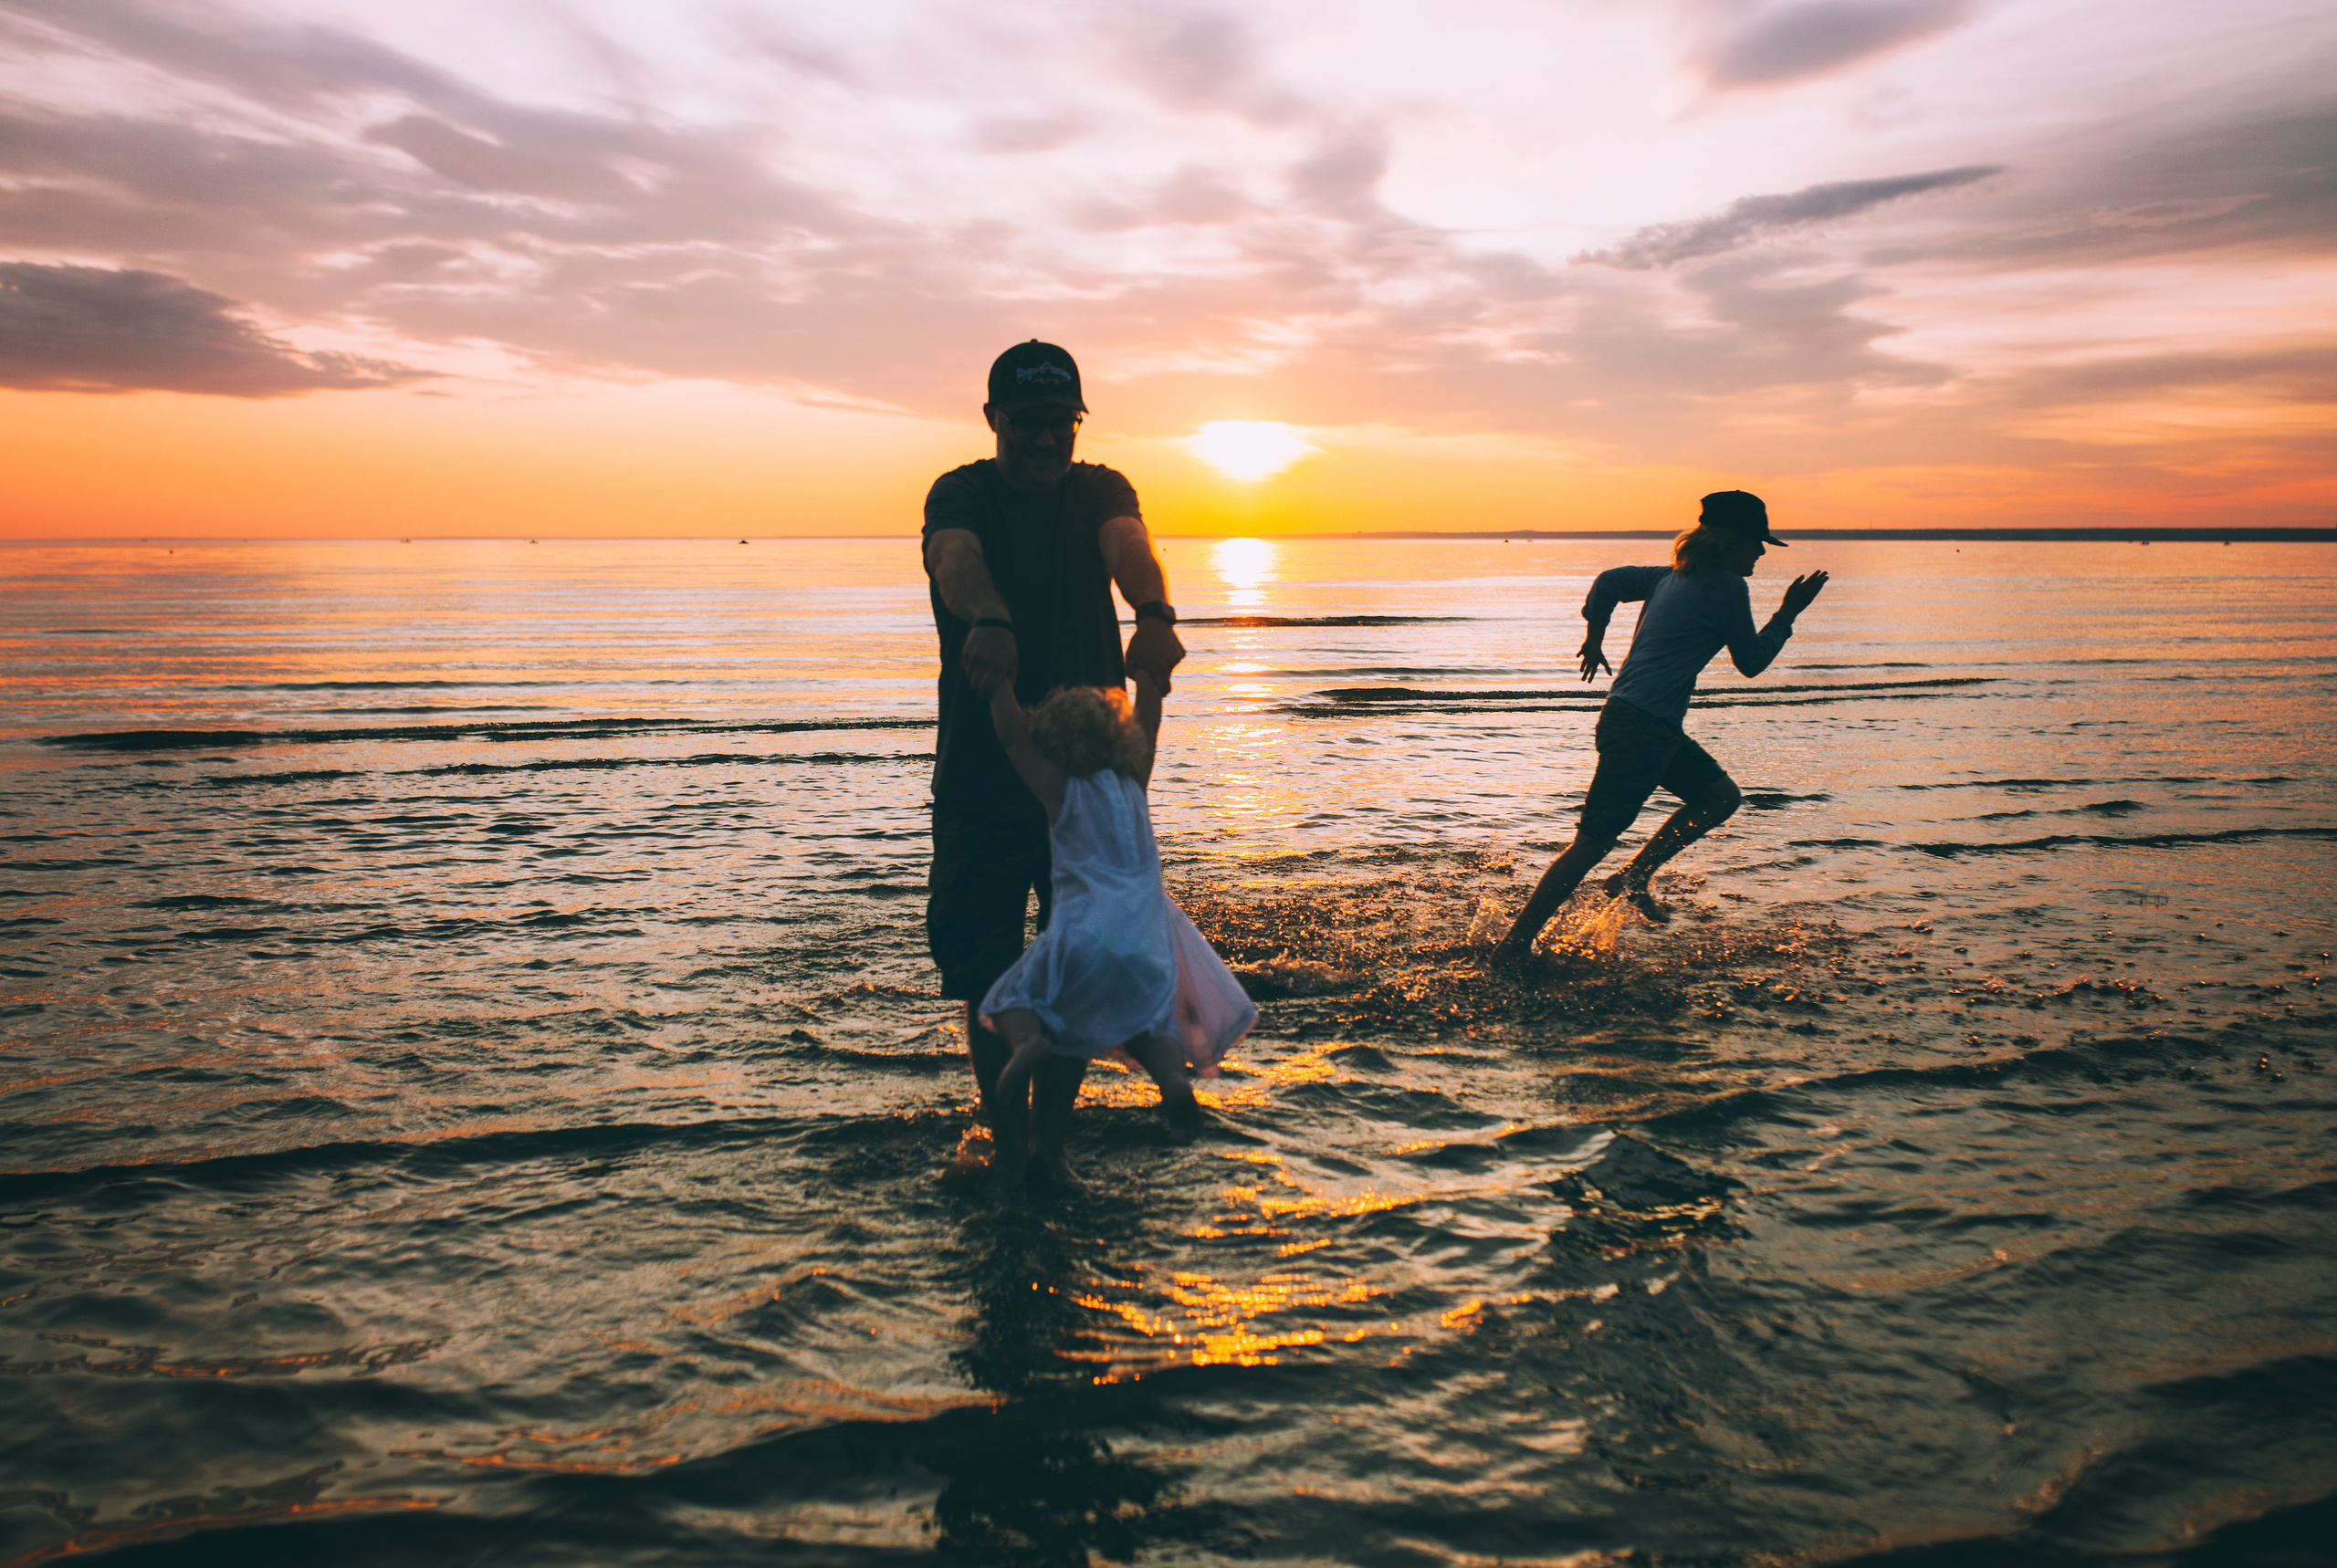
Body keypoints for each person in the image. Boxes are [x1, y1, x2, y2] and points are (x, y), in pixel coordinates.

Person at [922, 340, 1186, 1184]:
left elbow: (1129, 544)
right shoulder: (961, 493)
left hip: (1084, 783)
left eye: (1060, 423)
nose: (1044, 439)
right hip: (982, 779)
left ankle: (1052, 1152)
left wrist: (1153, 611)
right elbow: (954, 559)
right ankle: (1009, 1154)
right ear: (993, 419)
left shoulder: (1099, 489)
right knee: (988, 973)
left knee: (1082, 964)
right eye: (1027, 422)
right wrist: (989, 620)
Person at [1491, 491, 1829, 963]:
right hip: (1642, 729)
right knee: (1593, 842)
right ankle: (1513, 945)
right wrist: (1788, 613)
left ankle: (1632, 877)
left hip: (1643, 722)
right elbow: (1751, 663)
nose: (1761, 551)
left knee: (1720, 798)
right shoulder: (1728, 586)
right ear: (1731, 541)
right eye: (1756, 542)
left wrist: (1594, 637)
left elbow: (1608, 582)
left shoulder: (1668, 576)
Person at [977, 672, 1256, 1186]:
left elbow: (1014, 740)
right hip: (1148, 939)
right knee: (1152, 1025)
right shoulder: (1134, 783)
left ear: (1058, 744)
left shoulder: (1061, 789)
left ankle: (1028, 1043)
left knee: (1010, 997)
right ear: (1121, 741)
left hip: (1083, 930)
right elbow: (1149, 722)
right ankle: (1173, 1082)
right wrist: (1149, 679)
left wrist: (998, 688)